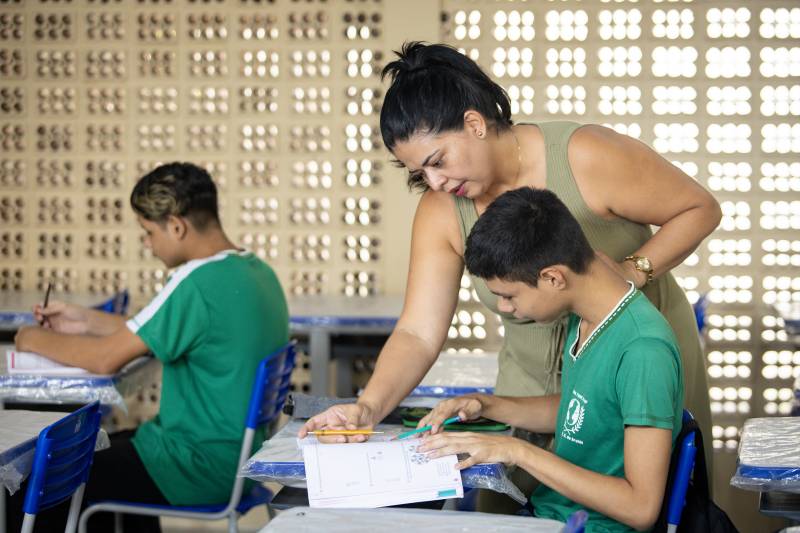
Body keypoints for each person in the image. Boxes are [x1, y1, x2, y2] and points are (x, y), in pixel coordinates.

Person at [300, 41, 719, 502]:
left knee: (650, 505)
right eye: (419, 174)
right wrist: (367, 408)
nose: (435, 183)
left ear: (474, 124)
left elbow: (699, 208)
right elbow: (418, 331)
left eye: (437, 161)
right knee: (508, 504)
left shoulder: (586, 156)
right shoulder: (442, 208)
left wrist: (627, 277)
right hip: (531, 392)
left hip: (636, 376)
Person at [10, 162, 289, 532]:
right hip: (241, 461)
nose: (147, 244)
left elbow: (105, 359)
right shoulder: (255, 272)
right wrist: (83, 320)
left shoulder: (195, 281)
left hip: (193, 464)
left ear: (176, 226)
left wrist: (30, 337)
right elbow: (157, 331)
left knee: (39, 479)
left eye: (148, 232)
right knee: (101, 450)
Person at [417, 187, 683, 531]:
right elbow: (584, 410)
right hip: (552, 515)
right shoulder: (587, 315)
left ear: (553, 278)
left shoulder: (643, 351)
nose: (504, 308)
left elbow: (640, 508)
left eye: (509, 295)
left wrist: (517, 450)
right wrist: (486, 404)